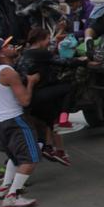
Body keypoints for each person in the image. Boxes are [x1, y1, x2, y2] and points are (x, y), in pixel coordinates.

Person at [0, 38, 41, 207]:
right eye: (7, 46)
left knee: (15, 157)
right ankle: (13, 196)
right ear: (1, 54)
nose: (12, 47)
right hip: (14, 120)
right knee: (31, 158)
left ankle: (4, 187)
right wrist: (31, 82)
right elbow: (24, 100)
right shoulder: (9, 73)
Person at [20, 26, 71, 166]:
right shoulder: (40, 53)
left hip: (34, 95)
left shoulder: (26, 52)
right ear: (40, 40)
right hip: (37, 95)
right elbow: (63, 61)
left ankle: (55, 150)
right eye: (48, 39)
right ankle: (64, 118)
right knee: (68, 88)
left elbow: (49, 52)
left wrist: (56, 38)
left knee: (50, 121)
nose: (49, 41)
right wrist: (85, 61)